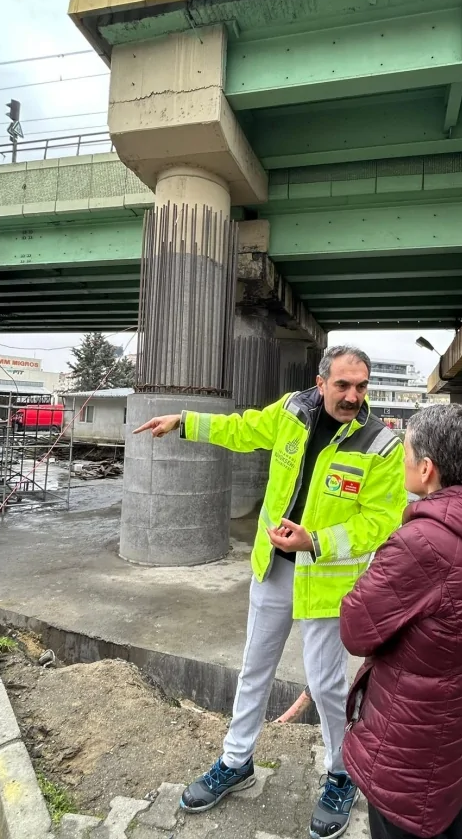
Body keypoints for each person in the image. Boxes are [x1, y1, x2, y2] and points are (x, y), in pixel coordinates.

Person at [134, 345, 407, 839]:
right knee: (254, 668)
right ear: (320, 382)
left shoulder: (379, 446)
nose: (352, 396)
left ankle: (341, 773)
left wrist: (315, 541)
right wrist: (186, 421)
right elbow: (242, 430)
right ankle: (236, 762)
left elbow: (382, 521)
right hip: (273, 569)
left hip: (327, 581)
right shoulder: (291, 412)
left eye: (360, 387)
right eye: (342, 385)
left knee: (326, 685)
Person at [339, 404, 462, 839]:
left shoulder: (424, 543)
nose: (402, 461)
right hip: (452, 733)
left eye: (406, 453)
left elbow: (356, 628)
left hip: (409, 741)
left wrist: (374, 569)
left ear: (426, 469)